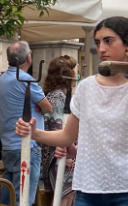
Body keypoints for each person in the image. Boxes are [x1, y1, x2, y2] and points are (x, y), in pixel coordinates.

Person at [16, 16, 128, 206]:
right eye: (98, 42)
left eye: (109, 41)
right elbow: (66, 136)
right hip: (89, 189)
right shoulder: (87, 87)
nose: (101, 48)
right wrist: (35, 133)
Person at [0, 41, 53, 206]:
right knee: (24, 199)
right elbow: (48, 107)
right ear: (29, 58)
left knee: (8, 197)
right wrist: (39, 105)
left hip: (8, 145)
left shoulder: (2, 79)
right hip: (26, 146)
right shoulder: (25, 80)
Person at [41, 55, 78, 206]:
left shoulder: (51, 95)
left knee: (66, 195)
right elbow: (58, 128)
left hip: (55, 154)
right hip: (59, 155)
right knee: (63, 197)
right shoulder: (58, 97)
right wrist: (66, 154)